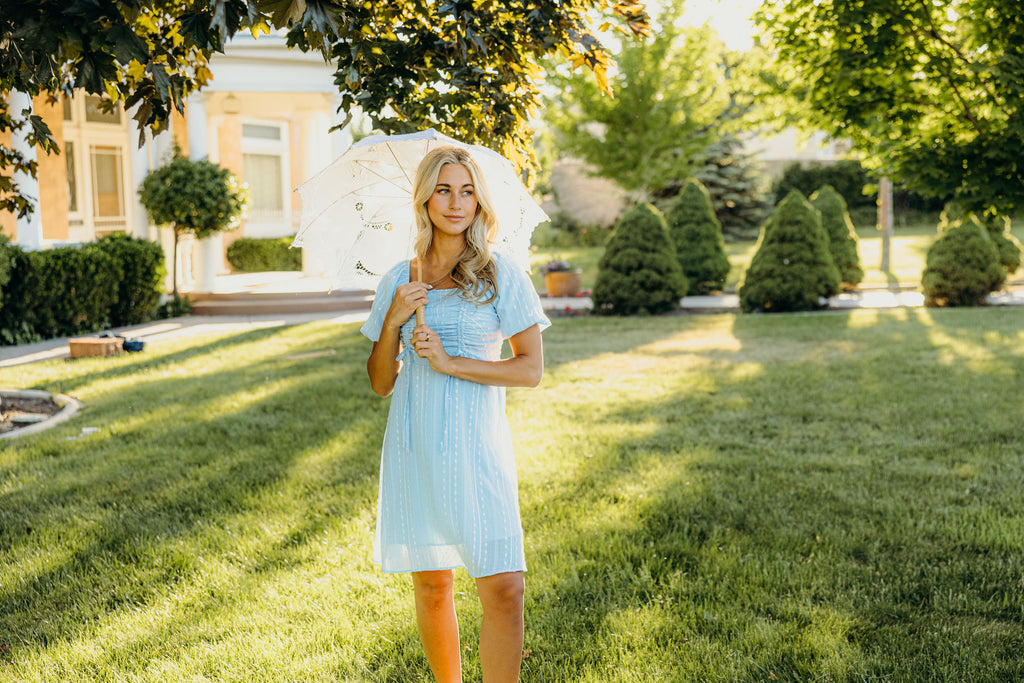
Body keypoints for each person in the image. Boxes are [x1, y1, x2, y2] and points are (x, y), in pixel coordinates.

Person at [360, 146, 550, 682]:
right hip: (417, 444)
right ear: (424, 198)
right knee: (433, 585)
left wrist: (449, 361)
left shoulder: (500, 274)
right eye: (444, 189)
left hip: (478, 447)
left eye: (467, 190)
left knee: (504, 588)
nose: (456, 202)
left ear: (480, 201)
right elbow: (379, 383)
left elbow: (529, 369)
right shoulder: (402, 278)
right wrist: (395, 321)